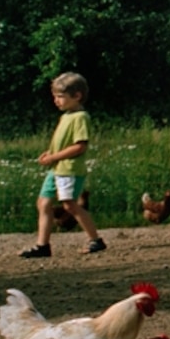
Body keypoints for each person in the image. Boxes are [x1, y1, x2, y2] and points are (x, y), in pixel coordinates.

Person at [20, 71, 104, 260]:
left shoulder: (80, 117)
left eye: (60, 96)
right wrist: (50, 154)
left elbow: (80, 146)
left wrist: (54, 156)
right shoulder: (66, 116)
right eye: (55, 97)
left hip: (69, 170)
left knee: (70, 206)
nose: (56, 101)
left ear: (77, 96)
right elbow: (63, 142)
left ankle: (95, 240)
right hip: (56, 168)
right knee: (44, 203)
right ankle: (42, 245)